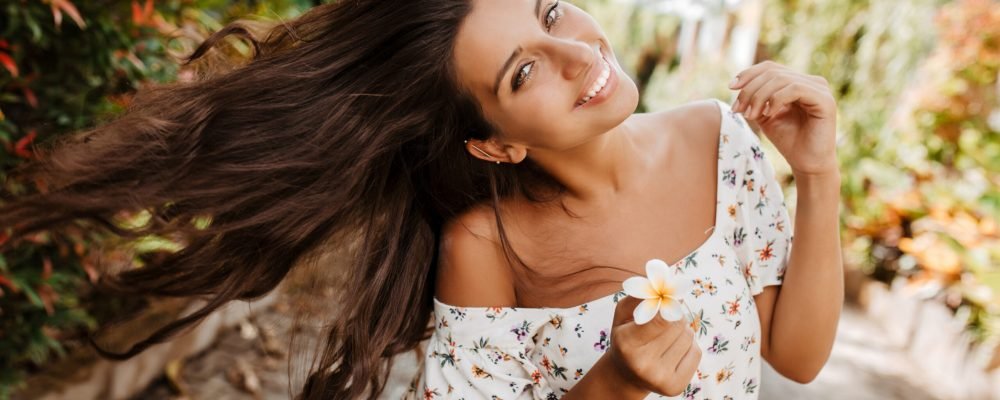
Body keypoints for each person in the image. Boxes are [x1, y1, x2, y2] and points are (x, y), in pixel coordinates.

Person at [0, 0, 844, 398]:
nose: (576, 52)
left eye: (552, 11)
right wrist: (611, 385)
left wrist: (817, 172)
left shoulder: (718, 139)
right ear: (494, 141)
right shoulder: (487, 246)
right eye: (523, 71)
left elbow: (797, 358)